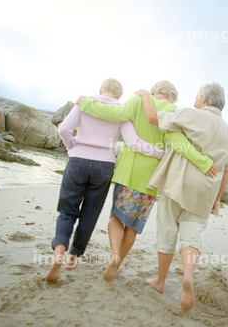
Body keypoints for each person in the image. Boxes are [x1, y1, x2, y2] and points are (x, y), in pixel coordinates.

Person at [76, 81, 217, 283]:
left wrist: (86, 104)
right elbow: (179, 143)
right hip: (151, 178)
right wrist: (203, 163)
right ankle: (117, 264)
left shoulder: (137, 99)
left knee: (116, 218)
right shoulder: (171, 110)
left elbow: (113, 114)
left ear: (156, 90)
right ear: (169, 95)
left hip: (128, 171)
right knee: (132, 226)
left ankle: (114, 255)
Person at [46, 78, 166, 282]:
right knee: (89, 215)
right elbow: (133, 142)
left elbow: (64, 130)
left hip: (77, 161)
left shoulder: (84, 102)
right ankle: (72, 257)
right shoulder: (122, 110)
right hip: (104, 166)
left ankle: (59, 253)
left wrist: (71, 148)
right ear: (119, 95)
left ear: (101, 90)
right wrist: (161, 154)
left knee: (67, 211)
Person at [135, 82, 228, 312]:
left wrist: (143, 95)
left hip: (178, 183)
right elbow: (227, 170)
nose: (194, 101)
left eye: (197, 96)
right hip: (206, 190)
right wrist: (217, 198)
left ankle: (160, 282)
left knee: (167, 229)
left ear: (204, 99)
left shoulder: (192, 115)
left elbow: (153, 118)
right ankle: (187, 277)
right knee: (191, 235)